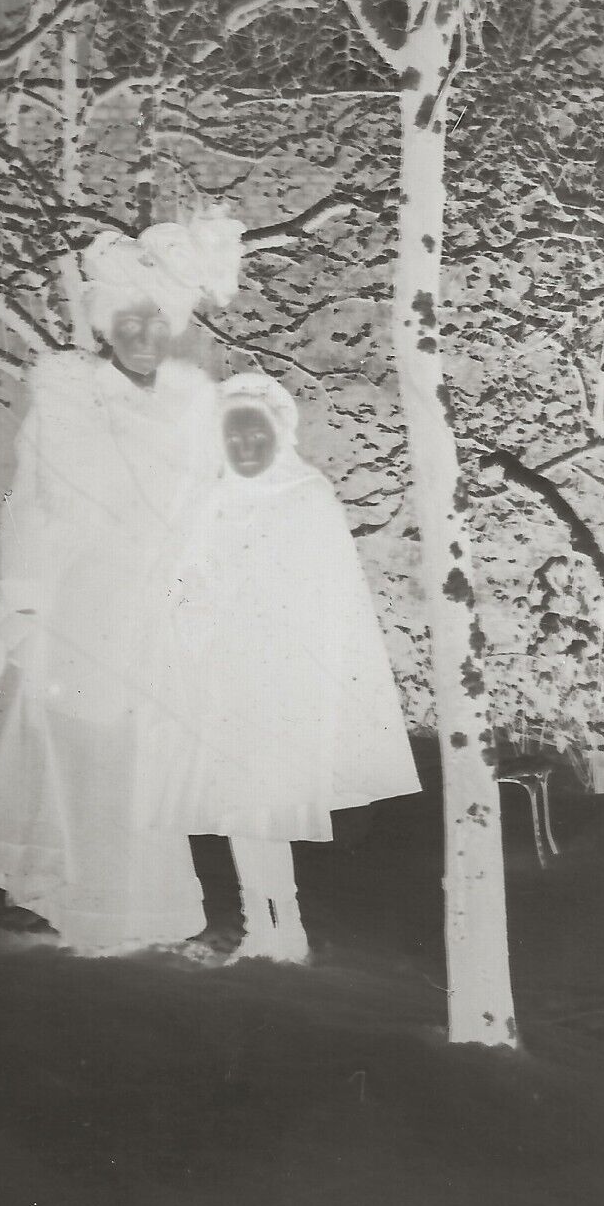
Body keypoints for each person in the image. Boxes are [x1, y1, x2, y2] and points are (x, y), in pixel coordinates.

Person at [0, 211, 245, 956]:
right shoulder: (69, 395)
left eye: (152, 320)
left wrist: (197, 591)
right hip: (78, 597)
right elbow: (32, 502)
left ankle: (121, 906)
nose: (139, 332)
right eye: (125, 319)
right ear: (105, 324)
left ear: (169, 326)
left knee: (129, 756)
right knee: (63, 746)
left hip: (148, 601)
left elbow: (207, 509)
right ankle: (49, 894)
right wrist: (23, 598)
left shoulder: (192, 406)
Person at [149, 373, 422, 962]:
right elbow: (184, 578)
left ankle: (289, 926)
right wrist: (192, 608)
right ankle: (257, 928)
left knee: (269, 804)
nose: (246, 448)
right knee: (239, 806)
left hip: (283, 675)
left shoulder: (306, 495)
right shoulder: (210, 499)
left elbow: (325, 593)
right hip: (225, 674)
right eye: (234, 438)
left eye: (256, 436)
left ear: (278, 434)